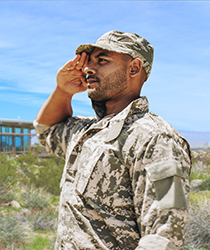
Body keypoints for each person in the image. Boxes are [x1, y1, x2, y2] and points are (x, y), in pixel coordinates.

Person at [34, 30, 191, 250]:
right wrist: (63, 91)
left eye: (102, 61)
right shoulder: (86, 130)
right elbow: (46, 131)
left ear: (134, 68)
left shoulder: (155, 139)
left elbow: (164, 237)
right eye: (88, 62)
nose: (88, 68)